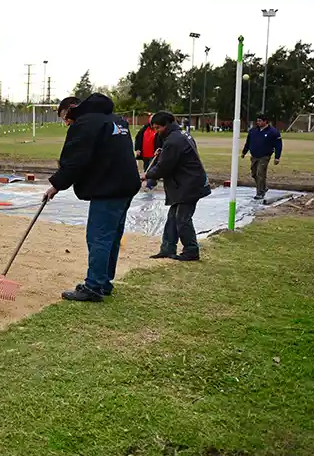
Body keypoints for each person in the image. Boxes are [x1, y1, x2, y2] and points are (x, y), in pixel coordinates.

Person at [44, 94, 141, 302]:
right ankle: (103, 282)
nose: (66, 122)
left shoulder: (86, 123)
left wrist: (56, 185)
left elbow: (75, 161)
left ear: (72, 108)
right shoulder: (116, 120)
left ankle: (94, 286)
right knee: (112, 237)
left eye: (64, 117)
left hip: (109, 188)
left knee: (99, 237)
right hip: (125, 186)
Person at [144, 111, 211, 262]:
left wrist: (147, 175)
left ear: (166, 125)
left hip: (189, 184)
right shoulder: (179, 135)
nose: (156, 132)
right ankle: (167, 248)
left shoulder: (174, 141)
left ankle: (191, 251)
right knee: (172, 217)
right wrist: (163, 152)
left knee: (182, 218)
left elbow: (164, 167)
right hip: (184, 183)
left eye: (158, 128)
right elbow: (175, 156)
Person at [241, 114, 283, 201]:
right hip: (254, 156)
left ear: (265, 121)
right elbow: (248, 142)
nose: (258, 122)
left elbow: (278, 145)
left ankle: (260, 193)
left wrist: (277, 157)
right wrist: (244, 152)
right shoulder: (253, 131)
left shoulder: (273, 132)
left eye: (260, 121)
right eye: (257, 121)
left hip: (265, 156)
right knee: (254, 174)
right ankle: (263, 187)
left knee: (261, 174)